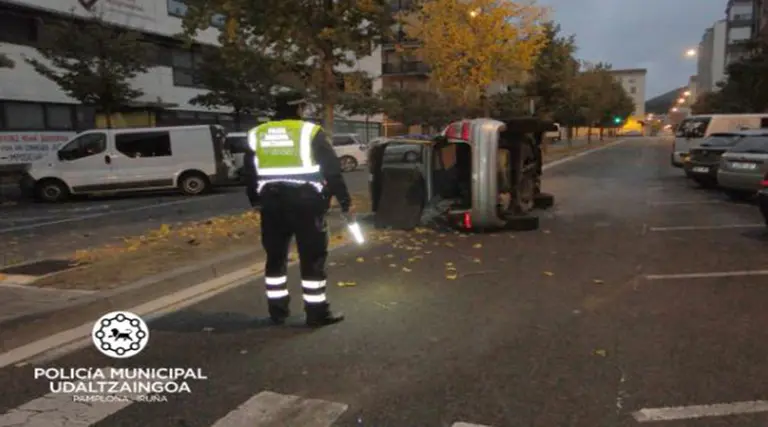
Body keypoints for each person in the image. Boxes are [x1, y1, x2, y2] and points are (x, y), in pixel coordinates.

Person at [243, 91, 352, 327]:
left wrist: (255, 200)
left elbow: (249, 172)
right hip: (306, 203)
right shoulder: (310, 132)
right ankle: (316, 312)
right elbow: (331, 169)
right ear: (300, 107)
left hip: (271, 203)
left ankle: (277, 311)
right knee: (312, 258)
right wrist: (343, 199)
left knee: (275, 258)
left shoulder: (257, 134)